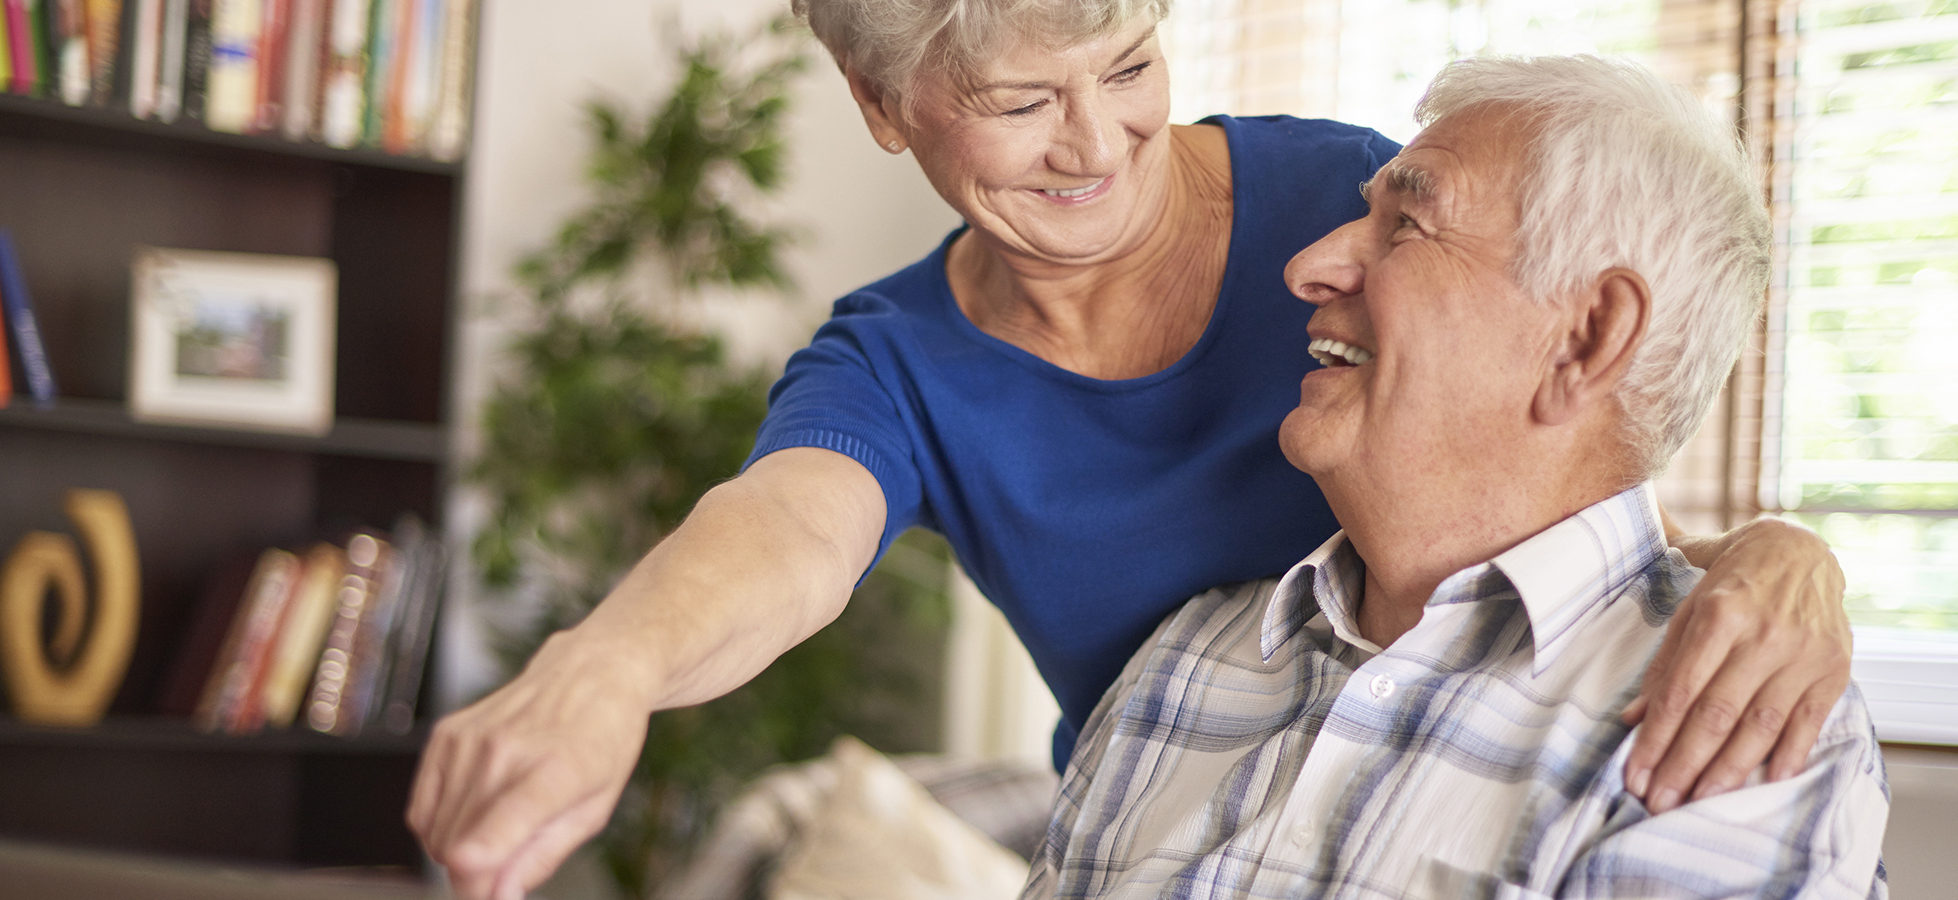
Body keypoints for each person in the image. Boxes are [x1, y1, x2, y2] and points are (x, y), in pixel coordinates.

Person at [406, 2, 1856, 897]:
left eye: (1132, 60)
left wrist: (1780, 553)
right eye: (1024, 101)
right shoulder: (906, 360)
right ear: (881, 105)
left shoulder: (1342, 212)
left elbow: (1559, 441)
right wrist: (600, 673)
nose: (1097, 144)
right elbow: (788, 532)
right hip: (1167, 792)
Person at [1022, 55, 1889, 900]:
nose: (1307, 268)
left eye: (1406, 225)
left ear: (1587, 338)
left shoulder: (1737, 722)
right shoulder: (1185, 660)